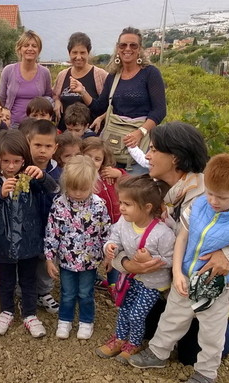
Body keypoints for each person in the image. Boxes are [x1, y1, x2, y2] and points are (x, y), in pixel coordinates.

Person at [122, 122, 229, 368]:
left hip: (202, 284)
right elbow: (124, 233)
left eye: (155, 149)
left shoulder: (207, 193)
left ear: (175, 158)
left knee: (192, 353)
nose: (147, 155)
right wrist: (127, 263)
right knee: (151, 328)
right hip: (168, 283)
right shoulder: (147, 189)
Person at [0, 129, 58, 337]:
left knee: (28, 279)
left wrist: (42, 176)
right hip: (2, 242)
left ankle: (30, 314)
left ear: (25, 159)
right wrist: (0, 193)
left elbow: (54, 189)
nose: (11, 166)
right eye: (6, 161)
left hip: (29, 241)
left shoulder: (31, 179)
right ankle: (6, 311)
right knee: (5, 280)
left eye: (17, 161)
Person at [96, 175, 174, 362]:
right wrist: (110, 247)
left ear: (147, 207)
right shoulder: (124, 222)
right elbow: (113, 237)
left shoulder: (162, 233)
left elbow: (172, 259)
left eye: (127, 204)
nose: (121, 208)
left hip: (153, 283)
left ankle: (134, 342)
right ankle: (120, 338)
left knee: (137, 314)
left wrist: (152, 259)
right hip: (130, 278)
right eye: (121, 202)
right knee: (123, 308)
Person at [72, 27, 166, 174]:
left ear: (139, 49)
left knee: (135, 189)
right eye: (123, 45)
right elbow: (99, 107)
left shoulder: (150, 73)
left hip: (140, 144)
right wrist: (82, 91)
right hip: (115, 144)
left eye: (133, 45)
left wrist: (139, 133)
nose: (127, 49)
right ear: (117, 48)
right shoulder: (113, 76)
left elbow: (159, 110)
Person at [44, 155, 110, 340]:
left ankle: (86, 321)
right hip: (66, 260)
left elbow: (106, 231)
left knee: (86, 293)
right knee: (67, 293)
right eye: (73, 188)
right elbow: (52, 232)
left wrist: (108, 254)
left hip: (89, 260)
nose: (78, 193)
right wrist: (49, 258)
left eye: (83, 189)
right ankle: (64, 321)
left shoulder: (98, 205)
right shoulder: (59, 204)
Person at [81, 137, 127, 292]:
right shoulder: (83, 179)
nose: (93, 162)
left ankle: (114, 284)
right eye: (88, 157)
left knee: (113, 252)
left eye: (97, 159)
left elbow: (130, 183)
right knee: (93, 254)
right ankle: (92, 279)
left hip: (115, 223)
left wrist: (119, 173)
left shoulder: (108, 176)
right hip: (94, 227)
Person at [25, 120, 61, 313]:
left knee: (46, 260)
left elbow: (58, 191)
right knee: (27, 261)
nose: (42, 150)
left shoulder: (58, 172)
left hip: (50, 228)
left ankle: (44, 292)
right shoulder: (22, 167)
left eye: (48, 146)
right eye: (37, 145)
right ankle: (24, 290)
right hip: (27, 227)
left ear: (55, 148)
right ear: (28, 142)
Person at [52, 32, 109, 132]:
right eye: (74, 52)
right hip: (64, 136)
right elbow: (54, 94)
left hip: (91, 136)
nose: (78, 57)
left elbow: (111, 104)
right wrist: (57, 101)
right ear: (69, 53)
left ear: (88, 53)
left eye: (82, 53)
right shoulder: (62, 75)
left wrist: (101, 118)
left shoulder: (100, 75)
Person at [0, 30, 53, 128]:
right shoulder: (8, 70)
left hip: (36, 126)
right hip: (12, 125)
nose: (30, 49)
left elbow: (48, 99)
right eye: (26, 45)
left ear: (39, 50)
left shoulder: (45, 73)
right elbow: (1, 99)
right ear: (20, 49)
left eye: (34, 46)